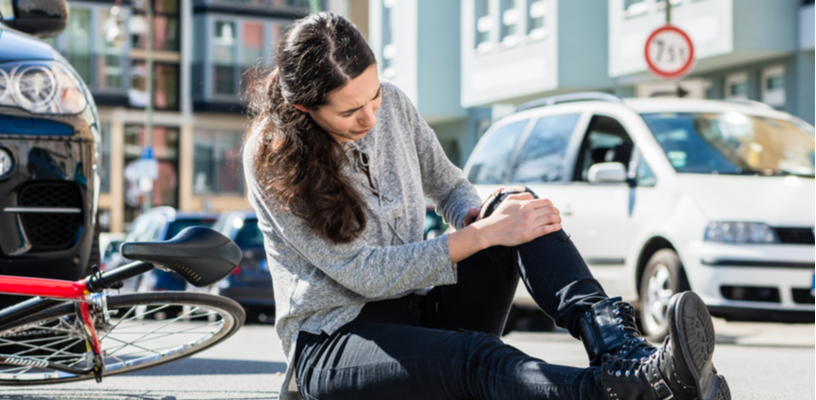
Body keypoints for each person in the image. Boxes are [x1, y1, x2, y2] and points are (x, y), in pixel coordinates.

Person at [243, 12, 730, 400]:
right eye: (350, 111)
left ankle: (622, 351)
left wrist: (484, 218)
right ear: (306, 107)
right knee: (476, 359)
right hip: (336, 342)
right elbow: (363, 274)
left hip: (418, 305)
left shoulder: (393, 104)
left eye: (373, 95)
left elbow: (451, 188)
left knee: (515, 206)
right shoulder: (272, 156)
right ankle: (629, 393)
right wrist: (481, 235)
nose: (371, 116)